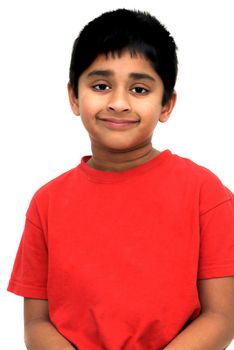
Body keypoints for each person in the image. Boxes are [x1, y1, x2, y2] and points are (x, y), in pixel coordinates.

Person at [7, 8, 234, 350]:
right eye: (101, 86)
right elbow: (36, 322)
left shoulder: (206, 193)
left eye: (139, 89)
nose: (118, 103)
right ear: (73, 97)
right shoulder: (47, 202)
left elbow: (222, 316)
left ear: (167, 105)